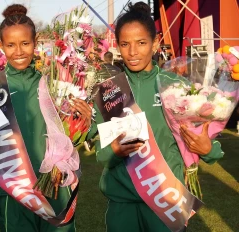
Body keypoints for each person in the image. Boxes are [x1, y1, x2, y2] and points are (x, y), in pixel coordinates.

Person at [94, 2, 224, 231]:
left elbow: (201, 139)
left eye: (141, 43)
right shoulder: (109, 91)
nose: (133, 52)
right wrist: (113, 151)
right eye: (125, 44)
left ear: (155, 43)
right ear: (118, 46)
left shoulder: (176, 87)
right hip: (122, 205)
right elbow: (101, 156)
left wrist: (208, 150)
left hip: (166, 201)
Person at [0, 4, 95, 232]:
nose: (18, 51)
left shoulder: (55, 84)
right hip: (14, 191)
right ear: (2, 47)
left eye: (25, 43)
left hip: (54, 185)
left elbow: (76, 131)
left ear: (35, 43)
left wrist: (86, 120)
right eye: (11, 45)